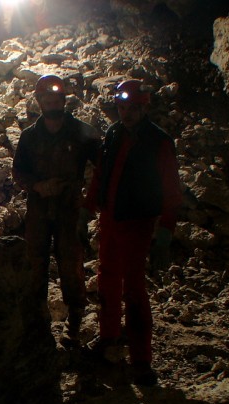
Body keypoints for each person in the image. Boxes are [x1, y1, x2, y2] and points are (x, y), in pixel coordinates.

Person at [85, 79, 183, 385]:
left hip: (137, 224)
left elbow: (171, 188)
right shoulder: (114, 134)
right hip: (111, 220)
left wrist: (165, 232)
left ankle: (141, 359)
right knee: (107, 278)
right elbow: (101, 175)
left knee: (134, 289)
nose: (126, 114)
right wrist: (86, 209)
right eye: (122, 107)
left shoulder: (158, 141)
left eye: (132, 108)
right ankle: (108, 337)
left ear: (144, 108)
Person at [12, 74, 98, 348]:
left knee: (71, 264)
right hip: (38, 209)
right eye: (46, 99)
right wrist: (38, 185)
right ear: (39, 102)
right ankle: (38, 324)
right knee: (36, 264)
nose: (51, 103)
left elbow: (104, 164)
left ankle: (74, 324)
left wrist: (88, 197)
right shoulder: (29, 137)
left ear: (63, 100)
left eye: (55, 99)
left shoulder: (81, 132)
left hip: (69, 209)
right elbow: (18, 171)